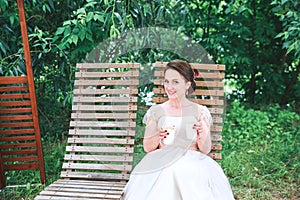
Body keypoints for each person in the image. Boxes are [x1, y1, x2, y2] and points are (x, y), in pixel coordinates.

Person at [122, 59, 235, 200]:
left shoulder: (199, 111)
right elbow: (148, 148)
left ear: (187, 84)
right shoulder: (156, 111)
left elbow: (205, 149)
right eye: (167, 81)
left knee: (181, 171)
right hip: (162, 157)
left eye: (175, 82)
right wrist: (157, 136)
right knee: (167, 170)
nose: (169, 87)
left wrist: (203, 132)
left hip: (191, 159)